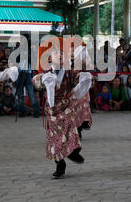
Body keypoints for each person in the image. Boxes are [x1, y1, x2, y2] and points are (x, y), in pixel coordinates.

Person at [32, 37, 92, 179]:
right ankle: (60, 164)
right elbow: (35, 82)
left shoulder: (68, 72)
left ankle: (73, 151)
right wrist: (41, 80)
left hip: (66, 106)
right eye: (56, 54)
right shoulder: (45, 74)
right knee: (55, 138)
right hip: (52, 111)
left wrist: (85, 77)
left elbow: (78, 78)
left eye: (62, 54)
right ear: (49, 59)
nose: (60, 56)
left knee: (69, 125)